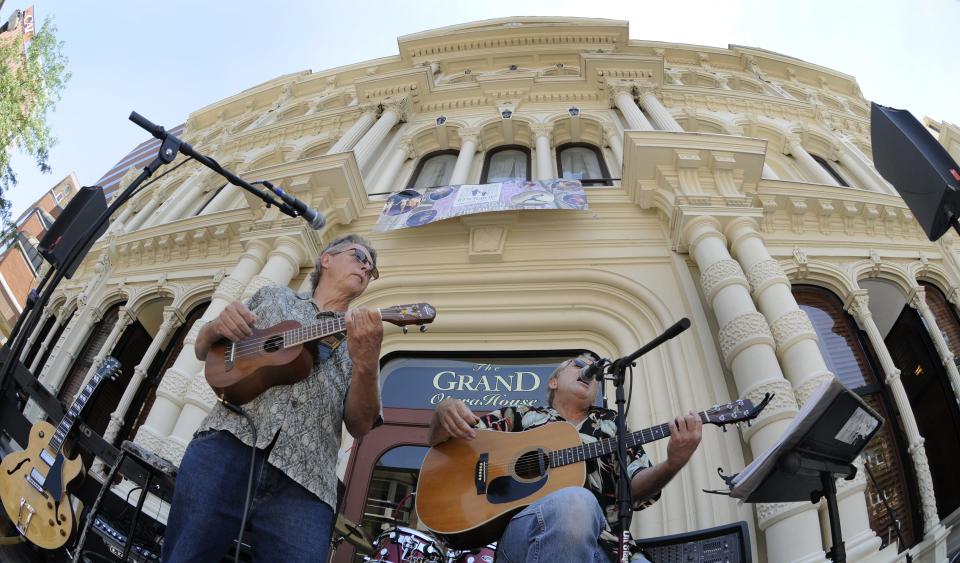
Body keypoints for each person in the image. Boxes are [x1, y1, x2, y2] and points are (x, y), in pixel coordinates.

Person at [162, 234, 384, 562]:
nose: (367, 267)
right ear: (327, 259)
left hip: (306, 484)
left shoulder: (361, 339)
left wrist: (366, 363)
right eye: (360, 257)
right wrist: (215, 328)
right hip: (226, 445)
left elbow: (361, 424)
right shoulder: (273, 295)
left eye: (373, 269)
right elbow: (202, 348)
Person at [428, 354, 702, 563]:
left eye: (595, 372)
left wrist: (673, 463)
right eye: (578, 364)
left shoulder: (610, 425)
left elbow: (633, 487)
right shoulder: (520, 414)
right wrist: (442, 415)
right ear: (553, 382)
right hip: (523, 541)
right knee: (575, 501)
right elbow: (454, 442)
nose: (589, 371)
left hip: (604, 546)